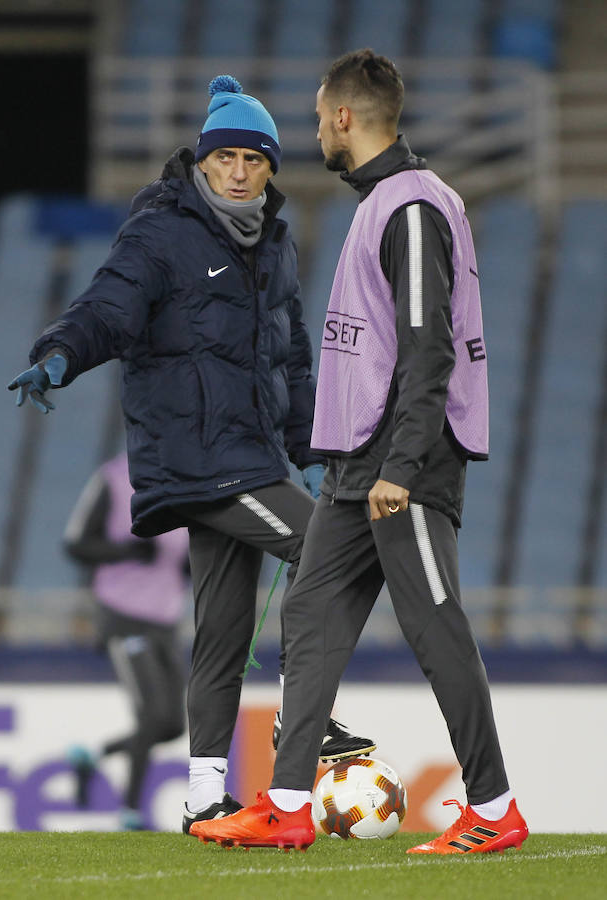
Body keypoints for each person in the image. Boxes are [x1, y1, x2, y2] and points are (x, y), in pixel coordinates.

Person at [7, 75, 374, 835]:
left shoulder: (273, 241)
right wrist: (57, 355)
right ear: (201, 162)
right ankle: (307, 717)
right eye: (226, 157)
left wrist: (307, 449)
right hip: (199, 457)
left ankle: (205, 797)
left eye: (254, 159)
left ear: (272, 169)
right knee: (329, 547)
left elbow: (293, 357)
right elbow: (106, 308)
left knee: (221, 634)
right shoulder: (159, 233)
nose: (239, 171)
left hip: (253, 454)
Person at [190, 50, 529, 854]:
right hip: (359, 465)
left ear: (343, 117)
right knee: (307, 614)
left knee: (435, 626)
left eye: (316, 117)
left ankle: (494, 807)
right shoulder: (390, 202)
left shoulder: (410, 208)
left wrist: (401, 468)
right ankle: (284, 804)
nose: (315, 130)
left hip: (398, 463)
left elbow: (428, 348)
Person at [63, 451, 190, 831]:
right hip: (123, 615)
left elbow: (186, 555)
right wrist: (126, 551)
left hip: (166, 618)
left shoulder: (189, 477)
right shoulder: (114, 478)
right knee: (151, 715)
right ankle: (130, 812)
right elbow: (76, 544)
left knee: (171, 726)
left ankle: (93, 757)